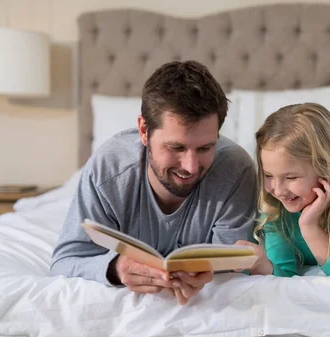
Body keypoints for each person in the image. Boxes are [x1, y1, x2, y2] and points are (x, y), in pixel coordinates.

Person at [50, 60, 258, 305]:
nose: (191, 167)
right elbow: (64, 263)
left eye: (205, 147)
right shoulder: (109, 169)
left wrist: (207, 277)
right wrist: (115, 269)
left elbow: (233, 270)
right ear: (143, 131)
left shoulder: (236, 171)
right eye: (176, 147)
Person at [236, 103, 330, 278]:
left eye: (291, 178)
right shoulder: (275, 206)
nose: (277, 191)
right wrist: (262, 264)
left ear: (325, 168)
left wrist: (310, 227)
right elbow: (284, 274)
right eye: (268, 175)